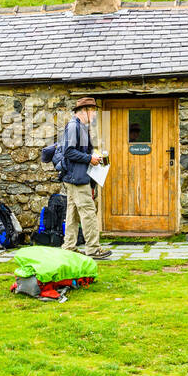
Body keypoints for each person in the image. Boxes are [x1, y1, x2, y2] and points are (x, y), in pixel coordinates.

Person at [57, 96, 113, 260]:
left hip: (77, 177)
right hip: (77, 178)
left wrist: (95, 157)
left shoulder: (81, 126)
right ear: (86, 111)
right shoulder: (75, 126)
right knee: (88, 212)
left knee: (73, 213)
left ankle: (69, 247)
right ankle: (93, 249)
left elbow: (78, 151)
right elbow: (69, 151)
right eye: (94, 111)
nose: (95, 114)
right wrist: (90, 159)